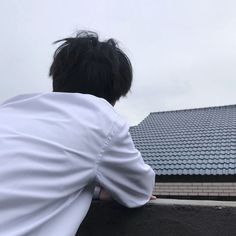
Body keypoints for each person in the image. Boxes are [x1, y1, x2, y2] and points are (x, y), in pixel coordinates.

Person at [0, 31, 156, 236]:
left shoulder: (11, 108)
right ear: (116, 92)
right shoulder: (103, 121)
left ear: (57, 78)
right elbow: (139, 190)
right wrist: (103, 190)